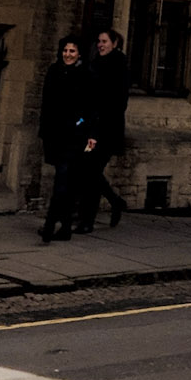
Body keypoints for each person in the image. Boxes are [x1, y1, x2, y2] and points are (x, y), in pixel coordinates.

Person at [39, 33, 94, 243]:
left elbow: (89, 109)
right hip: (54, 134)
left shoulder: (85, 74)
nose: (68, 54)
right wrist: (45, 129)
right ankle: (66, 227)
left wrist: (79, 125)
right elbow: (47, 102)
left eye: (72, 51)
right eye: (65, 51)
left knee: (62, 180)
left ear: (79, 53)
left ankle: (50, 224)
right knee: (66, 182)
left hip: (73, 136)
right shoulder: (54, 71)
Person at [76, 27, 130, 233]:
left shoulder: (119, 66)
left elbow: (118, 102)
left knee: (91, 170)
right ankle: (114, 201)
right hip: (91, 130)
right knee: (87, 169)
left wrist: (100, 121)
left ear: (115, 43)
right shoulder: (95, 64)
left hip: (107, 131)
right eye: (99, 41)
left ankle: (87, 220)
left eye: (105, 41)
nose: (100, 44)